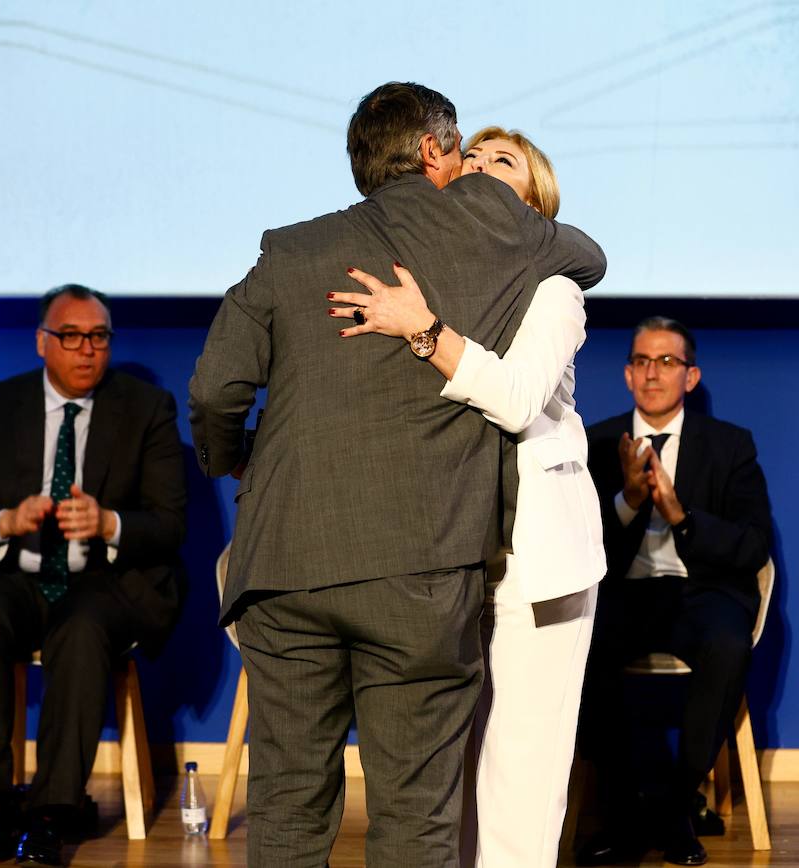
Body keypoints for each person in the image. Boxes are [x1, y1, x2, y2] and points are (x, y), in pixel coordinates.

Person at [189, 83, 606, 868]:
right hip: (418, 573)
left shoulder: (293, 246)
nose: (477, 171)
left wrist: (237, 460)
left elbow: (215, 390)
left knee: (285, 805)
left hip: (286, 566)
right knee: (416, 815)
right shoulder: (501, 236)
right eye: (467, 154)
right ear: (434, 151)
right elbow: (590, 255)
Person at [328, 125, 604, 868]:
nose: (478, 168)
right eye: (469, 158)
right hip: (436, 557)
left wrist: (424, 333)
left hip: (532, 561)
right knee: (437, 779)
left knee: (519, 777)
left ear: (533, 201)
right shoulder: (418, 283)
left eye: (502, 162)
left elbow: (515, 399)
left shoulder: (554, 287)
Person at [0, 284, 186, 866]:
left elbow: (171, 524)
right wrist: (6, 518)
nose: (87, 351)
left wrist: (108, 521)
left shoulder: (147, 408)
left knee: (81, 629)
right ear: (42, 343)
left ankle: (51, 813)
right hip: (14, 572)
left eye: (99, 337)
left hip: (103, 581)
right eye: (71, 337)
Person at [577, 318, 773, 866]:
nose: (652, 373)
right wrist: (631, 501)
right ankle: (624, 810)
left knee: (728, 645)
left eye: (667, 362)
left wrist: (679, 515)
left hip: (700, 592)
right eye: (642, 361)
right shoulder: (595, 441)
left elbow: (751, 545)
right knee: (578, 646)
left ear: (691, 376)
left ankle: (672, 805)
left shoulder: (731, 445)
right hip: (624, 592)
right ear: (627, 374)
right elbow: (577, 541)